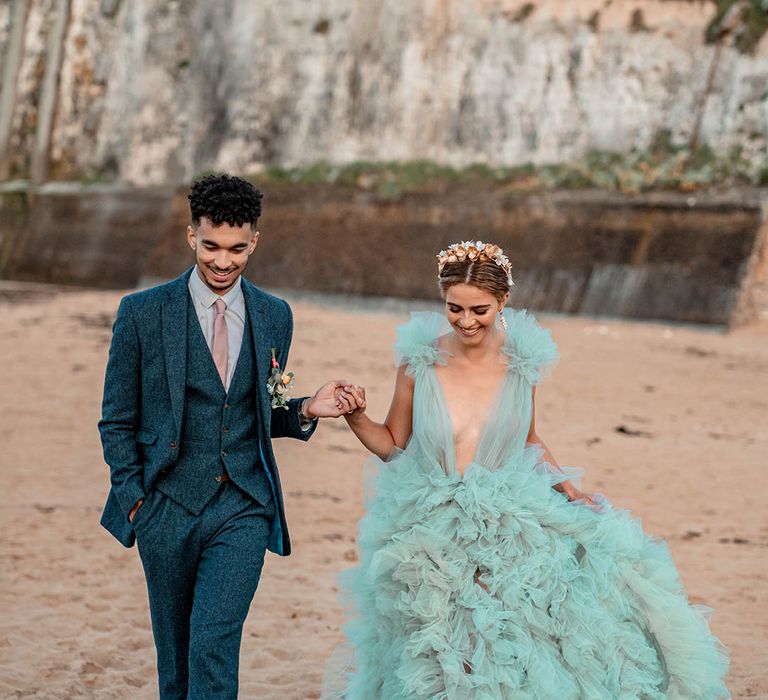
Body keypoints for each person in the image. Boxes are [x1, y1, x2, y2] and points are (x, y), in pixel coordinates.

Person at [326, 241, 730, 699]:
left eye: (479, 310)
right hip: (429, 517)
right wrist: (355, 416)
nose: (465, 321)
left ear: (502, 303)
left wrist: (569, 490)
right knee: (441, 641)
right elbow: (392, 444)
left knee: (516, 635)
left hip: (507, 512)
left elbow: (530, 438)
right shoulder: (418, 361)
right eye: (453, 309)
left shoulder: (521, 363)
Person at [98, 174, 350, 700]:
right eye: (211, 245)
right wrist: (136, 500)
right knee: (177, 661)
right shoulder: (142, 314)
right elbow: (117, 420)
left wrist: (306, 408)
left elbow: (259, 410)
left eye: (237, 249)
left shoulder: (274, 315)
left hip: (244, 504)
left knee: (213, 643)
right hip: (165, 506)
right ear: (192, 236)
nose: (223, 261)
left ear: (254, 242)